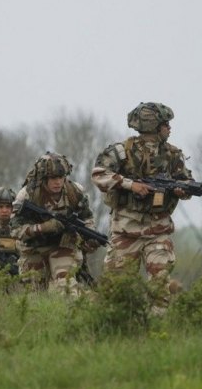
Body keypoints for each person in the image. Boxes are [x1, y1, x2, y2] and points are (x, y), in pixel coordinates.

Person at [91, 102, 192, 307]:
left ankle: (158, 329)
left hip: (158, 231)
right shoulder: (121, 151)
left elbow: (187, 182)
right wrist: (131, 185)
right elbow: (99, 175)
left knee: (159, 286)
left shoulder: (172, 155)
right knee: (116, 290)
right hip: (126, 231)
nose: (169, 128)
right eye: (166, 124)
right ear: (153, 125)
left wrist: (183, 190)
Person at [11, 152, 97, 295]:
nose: (57, 182)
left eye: (61, 177)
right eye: (53, 178)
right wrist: (44, 227)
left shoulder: (74, 192)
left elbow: (87, 218)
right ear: (44, 178)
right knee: (34, 294)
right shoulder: (28, 195)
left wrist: (90, 237)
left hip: (63, 246)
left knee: (66, 287)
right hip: (34, 248)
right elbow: (15, 230)